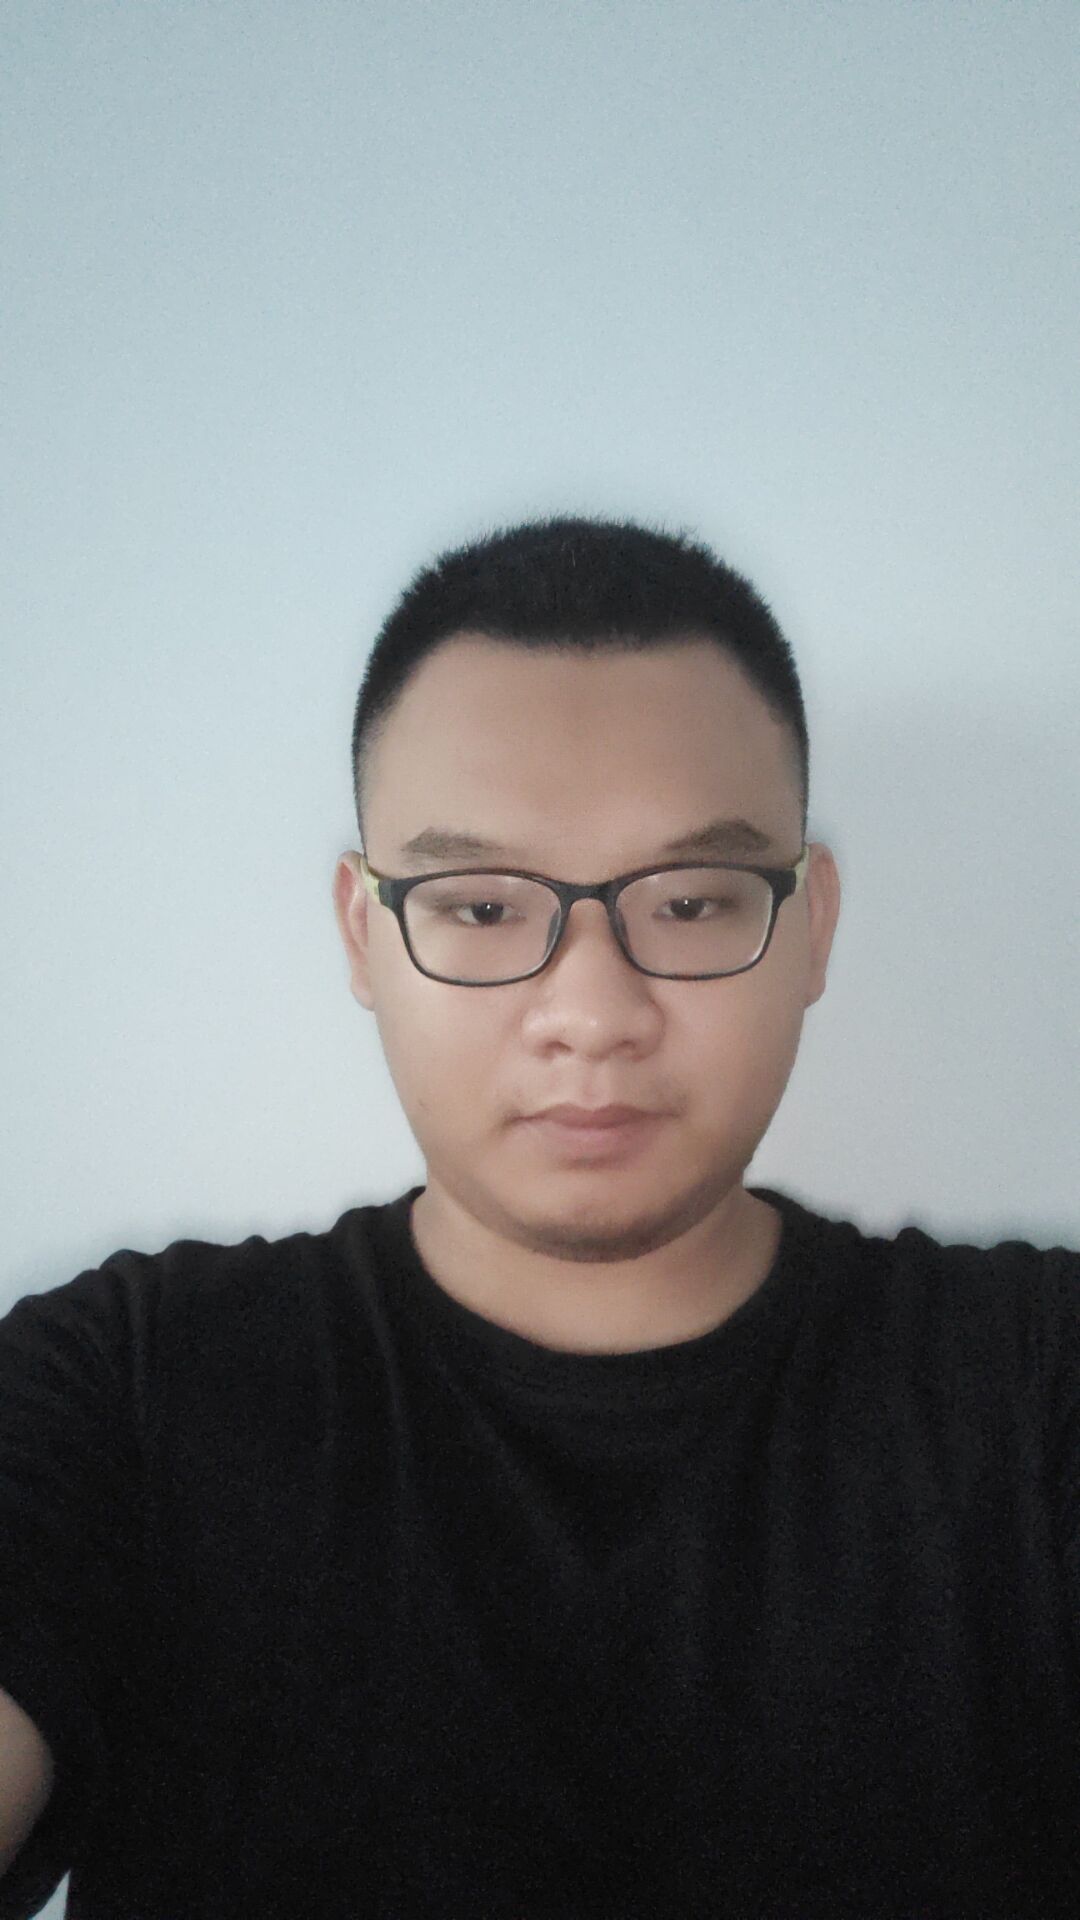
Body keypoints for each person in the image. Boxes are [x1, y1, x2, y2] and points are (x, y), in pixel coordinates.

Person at [0, 515, 1076, 1919]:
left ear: (811, 926)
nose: (592, 1013)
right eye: (481, 907)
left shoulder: (1037, 1390)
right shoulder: (122, 1392)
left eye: (690, 901)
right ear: (364, 934)